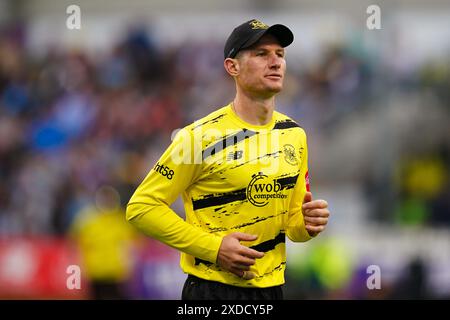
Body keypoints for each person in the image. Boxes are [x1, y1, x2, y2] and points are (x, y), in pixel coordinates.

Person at [126, 19, 330, 300]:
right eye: (261, 54)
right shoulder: (199, 137)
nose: (275, 62)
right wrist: (215, 248)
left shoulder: (294, 135)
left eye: (280, 55)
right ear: (232, 66)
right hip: (212, 290)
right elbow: (141, 208)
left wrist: (306, 224)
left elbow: (292, 223)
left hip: (272, 291)